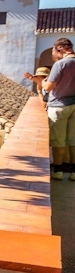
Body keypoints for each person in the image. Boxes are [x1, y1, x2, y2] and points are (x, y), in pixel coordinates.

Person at [43, 37, 75, 180]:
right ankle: (74, 172)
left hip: (59, 106)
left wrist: (44, 83)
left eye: (54, 52)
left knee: (58, 140)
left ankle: (58, 171)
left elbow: (49, 87)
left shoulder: (60, 64)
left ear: (60, 49)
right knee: (73, 140)